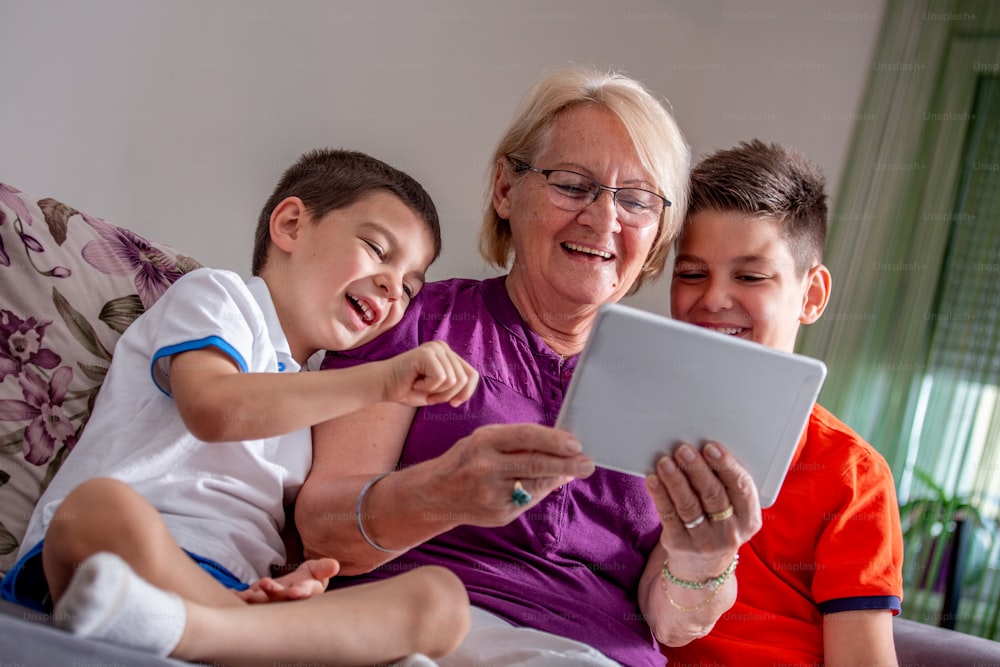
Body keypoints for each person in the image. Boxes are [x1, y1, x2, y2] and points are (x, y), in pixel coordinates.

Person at [296, 66, 763, 667]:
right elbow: (322, 529)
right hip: (421, 632)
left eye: (637, 200)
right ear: (505, 190)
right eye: (573, 185)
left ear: (658, 232)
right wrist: (442, 494)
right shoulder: (411, 321)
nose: (604, 219)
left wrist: (704, 561)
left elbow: (671, 623)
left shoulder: (679, 390)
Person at [0, 149, 478, 665]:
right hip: (125, 555)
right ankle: (239, 634)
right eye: (376, 248)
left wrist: (295, 579)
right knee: (97, 509)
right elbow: (215, 410)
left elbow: (279, 529)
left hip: (235, 591)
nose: (393, 288)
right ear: (291, 225)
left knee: (442, 601)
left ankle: (212, 632)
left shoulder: (316, 395)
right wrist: (382, 381)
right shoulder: (219, 298)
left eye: (410, 287)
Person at [662, 139, 904, 666]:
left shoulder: (852, 476)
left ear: (811, 295)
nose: (713, 299)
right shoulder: (636, 423)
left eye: (749, 276)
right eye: (691, 272)